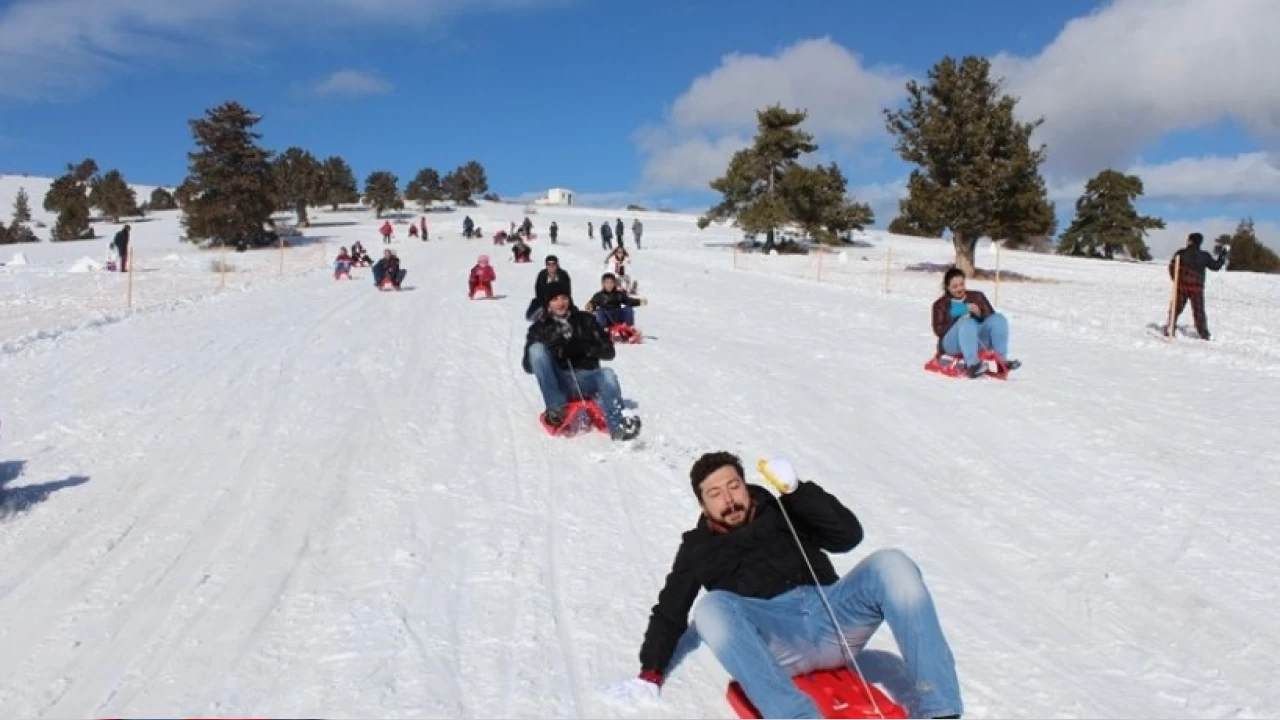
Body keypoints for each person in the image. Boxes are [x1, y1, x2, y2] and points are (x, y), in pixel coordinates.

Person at [605, 452, 962, 719]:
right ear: (702, 503)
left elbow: (848, 536)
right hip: (780, 637)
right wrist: (649, 672)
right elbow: (670, 611)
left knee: (892, 563)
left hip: (833, 617)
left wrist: (797, 491)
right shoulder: (697, 547)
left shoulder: (781, 507)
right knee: (711, 608)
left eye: (734, 486)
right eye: (715, 493)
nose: (728, 499)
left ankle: (939, 705)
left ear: (746, 486)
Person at [521, 283, 641, 441]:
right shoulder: (539, 328)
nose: (560, 303)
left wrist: (584, 347)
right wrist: (552, 349)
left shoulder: (586, 320)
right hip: (559, 380)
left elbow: (609, 352)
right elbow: (528, 366)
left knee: (607, 373)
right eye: (555, 299)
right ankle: (556, 409)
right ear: (548, 304)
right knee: (536, 349)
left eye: (564, 298)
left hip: (587, 378)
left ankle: (618, 425)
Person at [930, 267, 1020, 377]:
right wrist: (957, 314)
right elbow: (939, 331)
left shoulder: (977, 297)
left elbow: (991, 321)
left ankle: (1001, 361)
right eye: (955, 286)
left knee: (999, 319)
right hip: (952, 343)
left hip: (976, 340)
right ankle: (972, 365)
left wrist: (979, 314)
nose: (959, 289)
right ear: (947, 288)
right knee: (966, 322)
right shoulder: (940, 305)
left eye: (962, 284)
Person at [1168, 232, 1228, 340]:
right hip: (1197, 288)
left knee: (1176, 308)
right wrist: (1222, 257)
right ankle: (1203, 334)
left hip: (1182, 286)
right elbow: (1215, 266)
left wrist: (1175, 280)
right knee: (1199, 311)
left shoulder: (1181, 253)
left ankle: (1170, 327)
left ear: (1190, 241)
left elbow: (1172, 267)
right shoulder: (1204, 255)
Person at [526, 255, 572, 321]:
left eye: (553, 263)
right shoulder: (541, 275)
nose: (551, 266)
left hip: (560, 301)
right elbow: (539, 292)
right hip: (544, 301)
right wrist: (546, 306)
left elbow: (567, 293)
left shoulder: (563, 275)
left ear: (557, 264)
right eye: (549, 264)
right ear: (546, 265)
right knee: (530, 317)